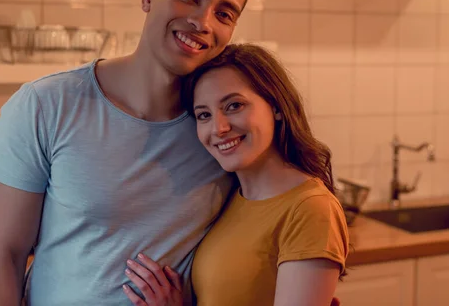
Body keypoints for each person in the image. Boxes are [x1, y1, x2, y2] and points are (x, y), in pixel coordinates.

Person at [0, 0, 253, 306]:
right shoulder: (44, 105)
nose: (202, 21)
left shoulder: (221, 132)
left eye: (224, 13)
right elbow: (0, 257)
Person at [123, 43, 350, 306]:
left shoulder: (310, 209)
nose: (219, 128)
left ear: (276, 106)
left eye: (234, 106)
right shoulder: (231, 196)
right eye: (204, 115)